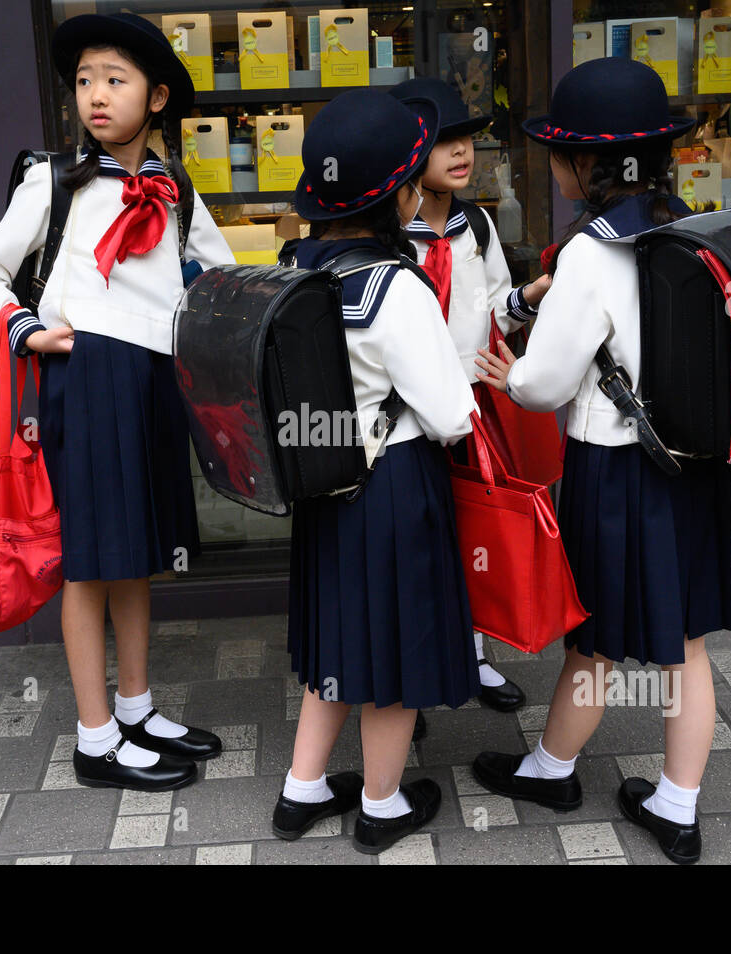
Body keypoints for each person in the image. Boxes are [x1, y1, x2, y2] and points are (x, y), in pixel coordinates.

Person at [470, 58, 731, 864]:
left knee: (593, 636)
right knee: (685, 642)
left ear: (581, 164)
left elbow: (546, 382)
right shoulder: (687, 223)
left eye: (558, 151)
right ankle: (678, 806)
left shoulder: (592, 252)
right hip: (693, 464)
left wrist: (507, 377)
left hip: (618, 472)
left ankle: (551, 769)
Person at [0, 12, 234, 791]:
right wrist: (28, 331)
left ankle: (138, 708)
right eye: (84, 81)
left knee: (136, 554)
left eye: (115, 79)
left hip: (152, 379)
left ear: (156, 98)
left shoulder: (175, 185)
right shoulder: (53, 179)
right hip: (85, 379)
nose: (95, 95)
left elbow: (216, 276)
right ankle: (93, 737)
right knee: (88, 563)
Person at [270, 89, 481, 854]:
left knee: (335, 646)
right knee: (392, 653)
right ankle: (383, 806)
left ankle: (302, 790)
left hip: (324, 490)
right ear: (399, 194)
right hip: (392, 490)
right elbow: (453, 415)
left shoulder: (296, 269)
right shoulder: (394, 287)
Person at [390, 76, 532, 715]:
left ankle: (475, 654)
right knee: (423, 539)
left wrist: (526, 300)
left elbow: (496, 303)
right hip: (411, 416)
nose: (461, 151)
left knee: (477, 524)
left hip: (474, 406)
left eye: (467, 138)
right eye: (444, 141)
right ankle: (412, 677)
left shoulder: (476, 224)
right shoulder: (393, 237)